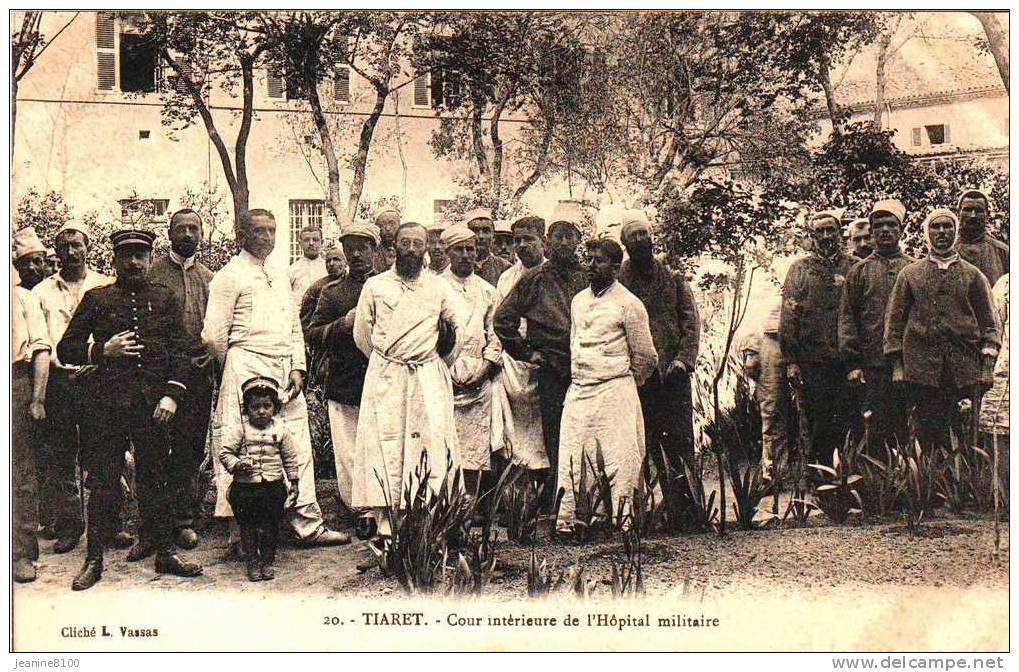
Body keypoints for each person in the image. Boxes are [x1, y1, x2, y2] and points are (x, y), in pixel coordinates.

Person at [57, 229, 203, 591]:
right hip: (104, 409)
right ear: (115, 260)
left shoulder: (164, 298)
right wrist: (101, 350)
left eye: (141, 255)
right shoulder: (97, 298)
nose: (134, 262)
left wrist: (171, 395)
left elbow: (182, 352)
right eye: (127, 256)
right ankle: (94, 560)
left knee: (156, 478)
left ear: (151, 258)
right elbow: (66, 348)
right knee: (103, 483)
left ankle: (165, 552)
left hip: (152, 408)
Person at [203, 209, 348, 552]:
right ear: (242, 235)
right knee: (244, 444)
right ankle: (243, 532)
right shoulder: (229, 276)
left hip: (285, 371)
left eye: (272, 230)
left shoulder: (280, 275)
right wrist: (237, 366)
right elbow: (212, 336)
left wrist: (298, 367)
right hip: (246, 366)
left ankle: (307, 524)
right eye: (258, 231)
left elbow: (295, 325)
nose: (266, 237)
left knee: (295, 444)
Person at [352, 221, 463, 538]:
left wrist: (435, 364)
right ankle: (387, 523)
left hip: (426, 375)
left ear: (426, 248)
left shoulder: (438, 287)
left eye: (418, 243)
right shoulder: (375, 286)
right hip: (387, 376)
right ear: (393, 248)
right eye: (405, 243)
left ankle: (428, 521)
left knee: (428, 443)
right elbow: (363, 335)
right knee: (386, 444)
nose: (411, 249)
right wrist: (388, 362)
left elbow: (456, 333)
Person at [556, 238, 657, 532]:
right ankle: (574, 522)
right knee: (574, 456)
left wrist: (622, 383)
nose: (590, 266)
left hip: (615, 390)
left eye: (598, 260)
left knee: (620, 458)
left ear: (615, 266)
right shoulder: (578, 301)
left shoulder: (629, 304)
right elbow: (575, 343)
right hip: (580, 391)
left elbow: (646, 356)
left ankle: (625, 522)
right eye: (587, 259)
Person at [494, 202, 590, 507]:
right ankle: (558, 506)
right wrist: (527, 352)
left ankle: (587, 502)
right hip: (553, 370)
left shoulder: (589, 277)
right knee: (555, 438)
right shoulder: (535, 279)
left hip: (588, 368)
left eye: (568, 236)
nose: (562, 242)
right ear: (547, 241)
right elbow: (503, 321)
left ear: (578, 240)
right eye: (556, 236)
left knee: (586, 436)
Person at [885, 208, 1000, 453]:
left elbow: (989, 325)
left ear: (955, 231)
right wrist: (897, 366)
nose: (942, 232)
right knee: (926, 437)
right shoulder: (910, 274)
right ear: (927, 233)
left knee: (963, 437)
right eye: (936, 227)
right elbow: (894, 323)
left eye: (947, 226)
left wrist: (986, 367)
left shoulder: (973, 275)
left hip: (963, 372)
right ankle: (927, 487)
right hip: (922, 372)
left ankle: (959, 489)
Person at [33, 221, 114, 553]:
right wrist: (60, 369)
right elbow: (42, 340)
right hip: (59, 381)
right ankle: (70, 526)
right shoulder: (42, 292)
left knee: (103, 455)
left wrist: (96, 365)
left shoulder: (106, 285)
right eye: (63, 246)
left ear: (88, 246)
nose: (70, 252)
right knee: (62, 457)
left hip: (98, 379)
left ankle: (108, 525)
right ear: (57, 252)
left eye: (76, 244)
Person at [617, 210, 700, 509]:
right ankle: (640, 513)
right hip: (635, 378)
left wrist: (683, 361)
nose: (640, 240)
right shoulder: (618, 281)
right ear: (624, 242)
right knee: (640, 443)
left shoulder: (673, 279)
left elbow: (690, 323)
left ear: (652, 238)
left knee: (678, 441)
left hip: (672, 374)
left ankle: (686, 509)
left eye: (644, 234)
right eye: (633, 236)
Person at [148, 209, 215, 552]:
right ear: (170, 233)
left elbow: (216, 327)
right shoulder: (153, 274)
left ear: (201, 234)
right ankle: (152, 525)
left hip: (198, 374)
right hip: (160, 376)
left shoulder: (209, 277)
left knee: (189, 448)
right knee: (156, 448)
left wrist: (210, 351)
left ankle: (183, 519)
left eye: (194, 228)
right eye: (181, 228)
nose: (188, 234)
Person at [305, 223, 380, 521]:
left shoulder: (387, 285)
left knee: (378, 444)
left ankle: (380, 503)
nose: (357, 254)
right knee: (348, 448)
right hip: (345, 379)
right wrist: (342, 325)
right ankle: (355, 508)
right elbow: (312, 333)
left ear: (374, 250)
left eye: (363, 247)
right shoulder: (333, 292)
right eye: (351, 249)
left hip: (382, 380)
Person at [780, 209, 858, 468]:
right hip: (814, 360)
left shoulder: (854, 266)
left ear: (840, 233)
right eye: (820, 232)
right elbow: (789, 315)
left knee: (850, 419)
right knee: (818, 422)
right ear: (812, 237)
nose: (826, 236)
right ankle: (820, 478)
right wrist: (791, 360)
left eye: (831, 230)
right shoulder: (800, 269)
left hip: (849, 359)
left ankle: (849, 479)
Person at [838, 199, 915, 453]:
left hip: (913, 364)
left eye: (890, 224)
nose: (884, 230)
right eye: (878, 225)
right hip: (874, 367)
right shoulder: (859, 271)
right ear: (871, 232)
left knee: (909, 430)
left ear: (901, 230)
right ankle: (879, 488)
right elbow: (848, 318)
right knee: (875, 430)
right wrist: (853, 364)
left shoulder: (915, 268)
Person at [439, 225, 503, 498]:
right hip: (443, 376)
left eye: (470, 249)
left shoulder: (489, 291)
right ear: (447, 252)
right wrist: (443, 372)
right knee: (444, 447)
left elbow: (496, 335)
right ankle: (446, 507)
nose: (465, 255)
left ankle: (471, 509)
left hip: (479, 377)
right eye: (459, 250)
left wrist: (485, 369)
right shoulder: (435, 287)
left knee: (476, 449)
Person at [218, 376, 300, 582]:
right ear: (247, 408)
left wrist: (294, 482)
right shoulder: (240, 430)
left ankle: (267, 561)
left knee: (272, 525)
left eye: (267, 406)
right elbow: (225, 453)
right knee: (248, 525)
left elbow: (290, 458)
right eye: (255, 407)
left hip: (273, 487)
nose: (261, 411)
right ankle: (252, 561)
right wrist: (237, 464)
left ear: (275, 407)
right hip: (245, 489)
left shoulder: (280, 430)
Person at [491, 215, 549, 476]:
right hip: (514, 366)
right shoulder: (506, 278)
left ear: (543, 242)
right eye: (518, 241)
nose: (523, 246)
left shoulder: (553, 275)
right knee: (514, 441)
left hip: (546, 364)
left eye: (529, 239)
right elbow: (498, 320)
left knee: (544, 438)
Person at [12, 228, 52, 583]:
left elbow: (41, 348)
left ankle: (21, 553)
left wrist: (37, 397)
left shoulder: (23, 298)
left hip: (16, 383)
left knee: (19, 472)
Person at [980, 273, 1008, 516]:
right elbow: (993, 328)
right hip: (1006, 374)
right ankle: (1003, 500)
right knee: (1000, 434)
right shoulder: (1005, 286)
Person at [955, 189, 1008, 286]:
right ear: (958, 213)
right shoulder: (947, 253)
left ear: (987, 214)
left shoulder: (1002, 252)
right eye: (967, 210)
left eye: (979, 210)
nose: (973, 216)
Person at [299, 244, 348, 334]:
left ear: (345, 262)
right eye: (328, 261)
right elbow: (305, 321)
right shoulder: (316, 288)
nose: (331, 264)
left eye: (336, 259)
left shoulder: (352, 283)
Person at [464, 207, 511, 286]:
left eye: (486, 231)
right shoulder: (458, 265)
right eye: (475, 231)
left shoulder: (505, 268)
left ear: (493, 235)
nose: (481, 236)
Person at [289, 226, 327, 306]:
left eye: (315, 240)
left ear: (322, 242)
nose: (311, 243)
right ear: (300, 243)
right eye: (306, 240)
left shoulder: (328, 268)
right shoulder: (292, 270)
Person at [371, 205, 401, 273]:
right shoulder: (372, 252)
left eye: (392, 224)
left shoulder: (408, 250)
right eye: (382, 224)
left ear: (399, 226)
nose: (387, 228)